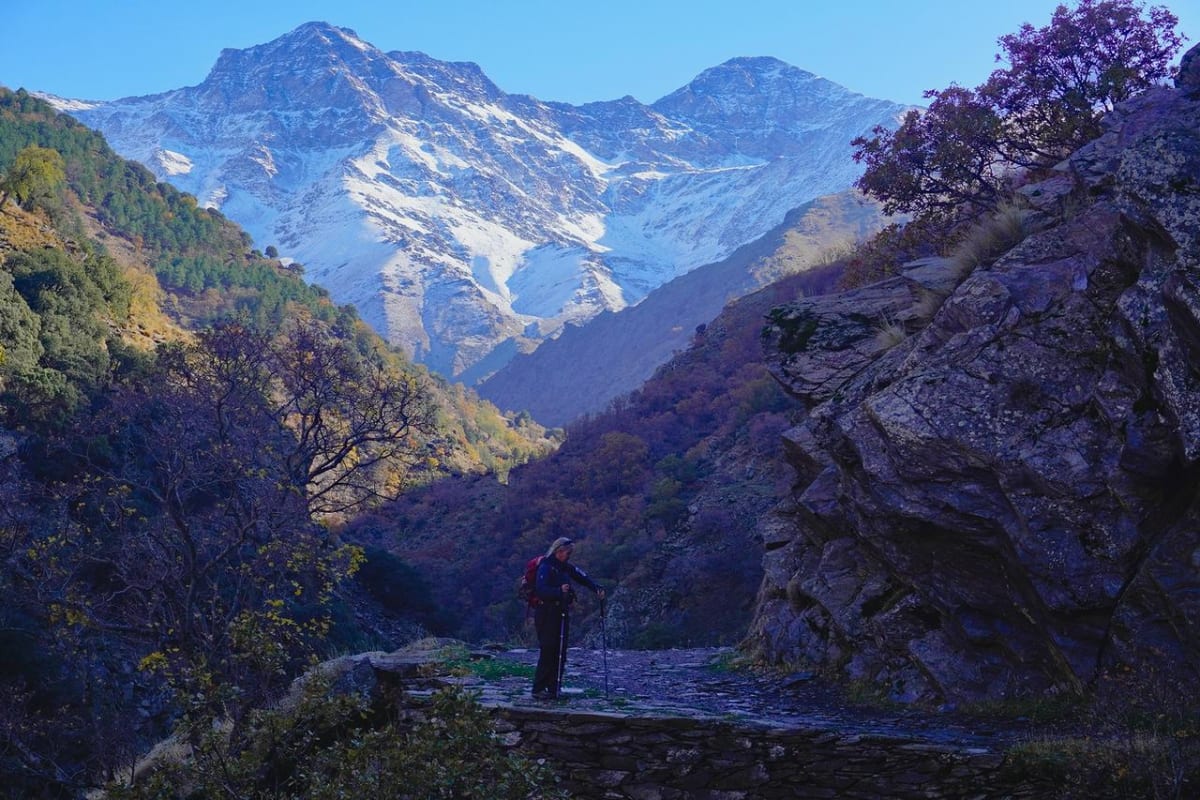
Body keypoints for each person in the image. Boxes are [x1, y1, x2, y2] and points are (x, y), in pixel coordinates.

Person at [532, 536, 604, 699]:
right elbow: (541, 590)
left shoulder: (565, 567)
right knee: (548, 649)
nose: (570, 555)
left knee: (560, 651)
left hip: (560, 613)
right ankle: (538, 688)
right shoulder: (546, 567)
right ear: (559, 551)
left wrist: (596, 587)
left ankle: (553, 687)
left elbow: (581, 577)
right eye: (568, 552)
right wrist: (559, 591)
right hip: (546, 613)